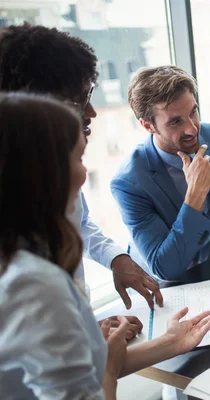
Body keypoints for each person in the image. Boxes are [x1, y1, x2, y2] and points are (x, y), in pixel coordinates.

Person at [0, 92, 210, 399]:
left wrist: (171, 342)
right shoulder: (34, 284)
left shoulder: (22, 263)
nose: (83, 175)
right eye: (78, 159)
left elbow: (84, 368)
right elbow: (93, 381)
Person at [0, 24, 162, 321]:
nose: (91, 112)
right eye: (77, 100)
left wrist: (116, 259)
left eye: (89, 93)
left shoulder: (58, 168)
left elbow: (81, 223)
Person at [111, 66, 210, 281]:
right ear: (148, 126)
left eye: (193, 112)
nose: (193, 129)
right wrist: (195, 194)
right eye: (176, 121)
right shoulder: (128, 183)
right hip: (166, 286)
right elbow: (164, 266)